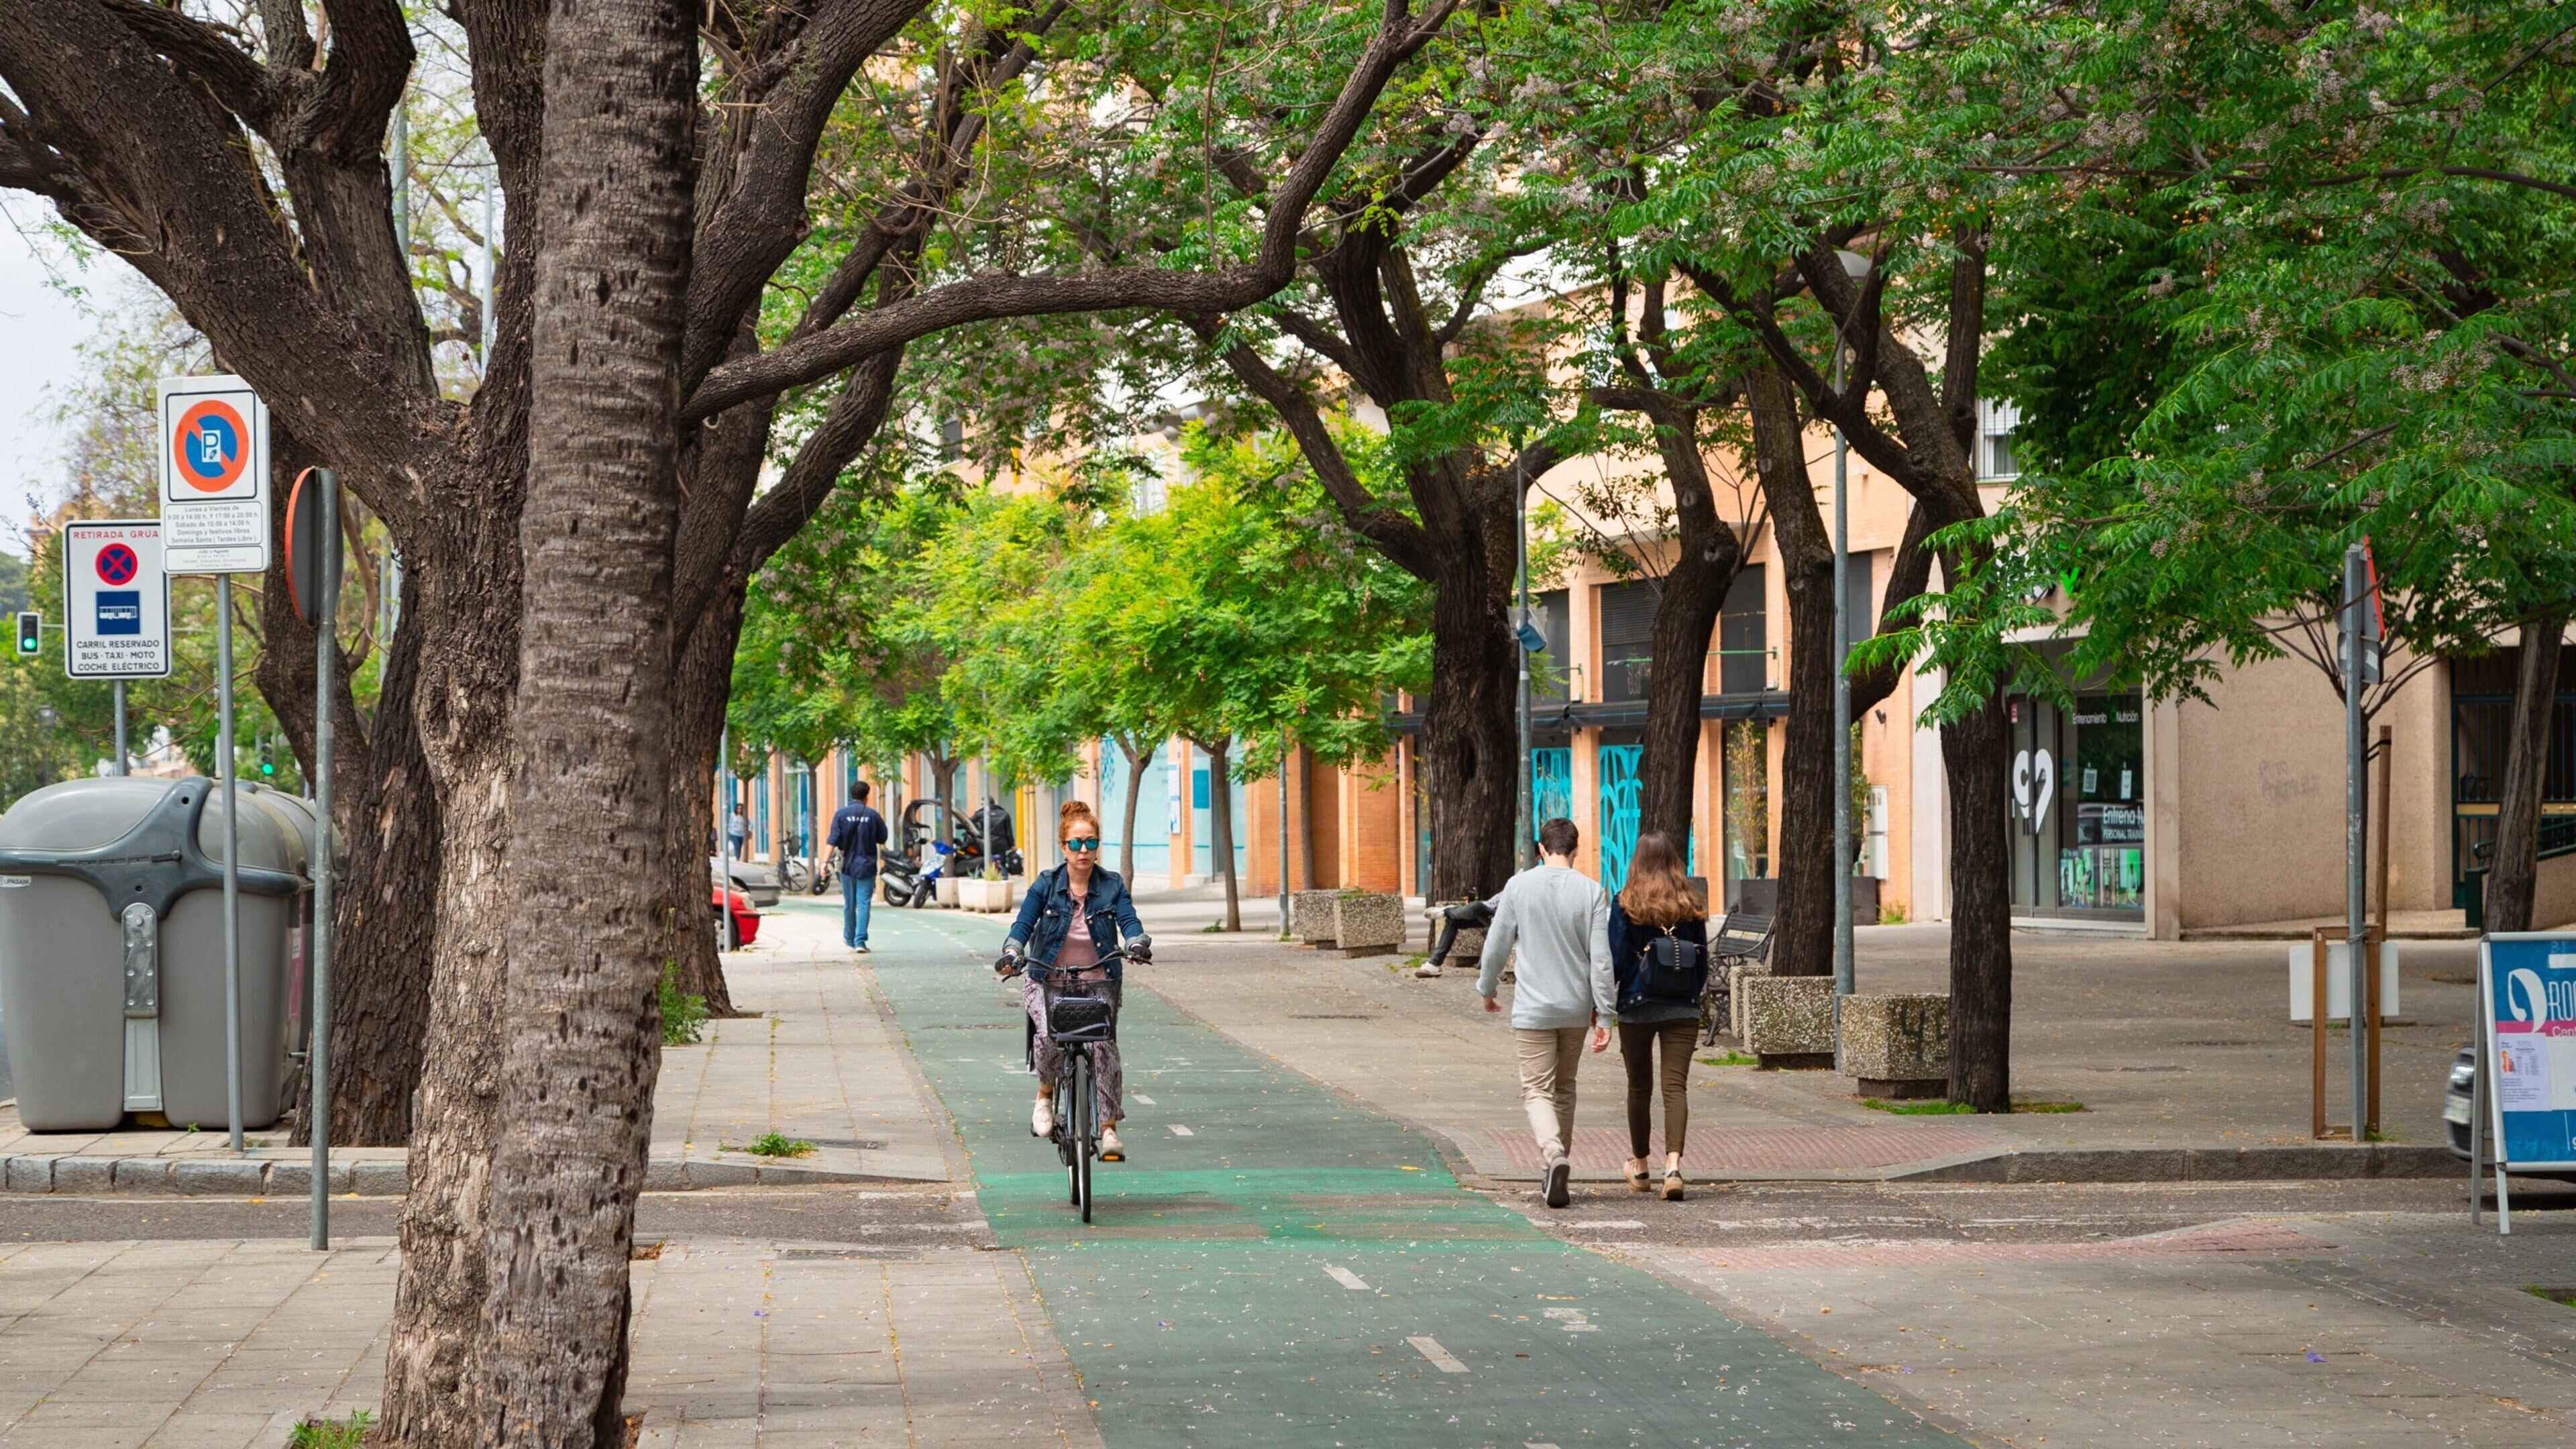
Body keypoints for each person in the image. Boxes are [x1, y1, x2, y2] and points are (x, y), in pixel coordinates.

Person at [997, 801, 1149, 1161]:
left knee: (1103, 1046)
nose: (1084, 851)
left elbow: (1129, 921)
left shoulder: (1112, 885)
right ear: (1063, 847)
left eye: (1091, 843)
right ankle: (1045, 1096)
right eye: (1077, 843)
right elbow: (1023, 924)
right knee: (1049, 1032)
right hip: (1047, 980)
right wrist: (1012, 951)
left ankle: (1109, 1128)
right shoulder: (1046, 885)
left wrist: (1137, 943)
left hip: (1100, 980)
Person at [1476, 817, 1614, 1210]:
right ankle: (1557, 1170)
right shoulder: (1591, 892)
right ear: (1576, 849)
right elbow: (1601, 962)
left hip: (1534, 1008)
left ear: (1541, 848)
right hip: (1575, 1009)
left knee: (1537, 1089)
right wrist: (1605, 1015)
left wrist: (1487, 990)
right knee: (1565, 1088)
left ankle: (1554, 1157)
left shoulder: (1519, 886)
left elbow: (1496, 945)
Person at [1607, 830, 1709, 1202]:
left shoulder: (1625, 902)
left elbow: (1616, 959)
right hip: (1682, 1007)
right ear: (1672, 860)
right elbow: (1703, 961)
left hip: (1637, 1005)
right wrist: (1689, 995)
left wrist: (1606, 1003)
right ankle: (1674, 1167)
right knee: (1675, 1088)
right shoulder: (1690, 901)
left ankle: (1641, 1166)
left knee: (1639, 1087)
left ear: (1638, 860)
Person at [826, 781, 891, 953]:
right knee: (863, 903)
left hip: (847, 866)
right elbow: (883, 837)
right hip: (867, 865)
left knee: (849, 903)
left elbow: (832, 840)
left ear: (851, 795)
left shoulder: (841, 814)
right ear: (866, 796)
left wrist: (824, 863)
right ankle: (860, 941)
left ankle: (849, 939)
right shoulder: (873, 815)